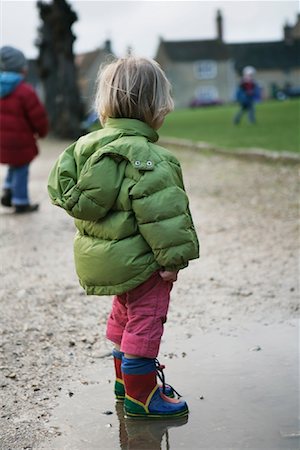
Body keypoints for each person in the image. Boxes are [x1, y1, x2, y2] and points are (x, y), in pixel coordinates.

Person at [47, 57, 199, 419]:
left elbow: (65, 190)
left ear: (105, 104)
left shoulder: (83, 148)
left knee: (125, 310)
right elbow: (161, 213)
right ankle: (142, 396)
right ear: (157, 107)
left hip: (106, 259)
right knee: (147, 318)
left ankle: (122, 380)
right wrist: (172, 260)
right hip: (142, 261)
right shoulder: (150, 157)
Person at [0, 46, 48, 213]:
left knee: (14, 164)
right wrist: (42, 131)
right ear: (21, 68)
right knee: (21, 167)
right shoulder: (25, 91)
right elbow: (38, 116)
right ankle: (20, 201)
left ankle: (8, 189)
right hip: (20, 139)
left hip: (3, 139)